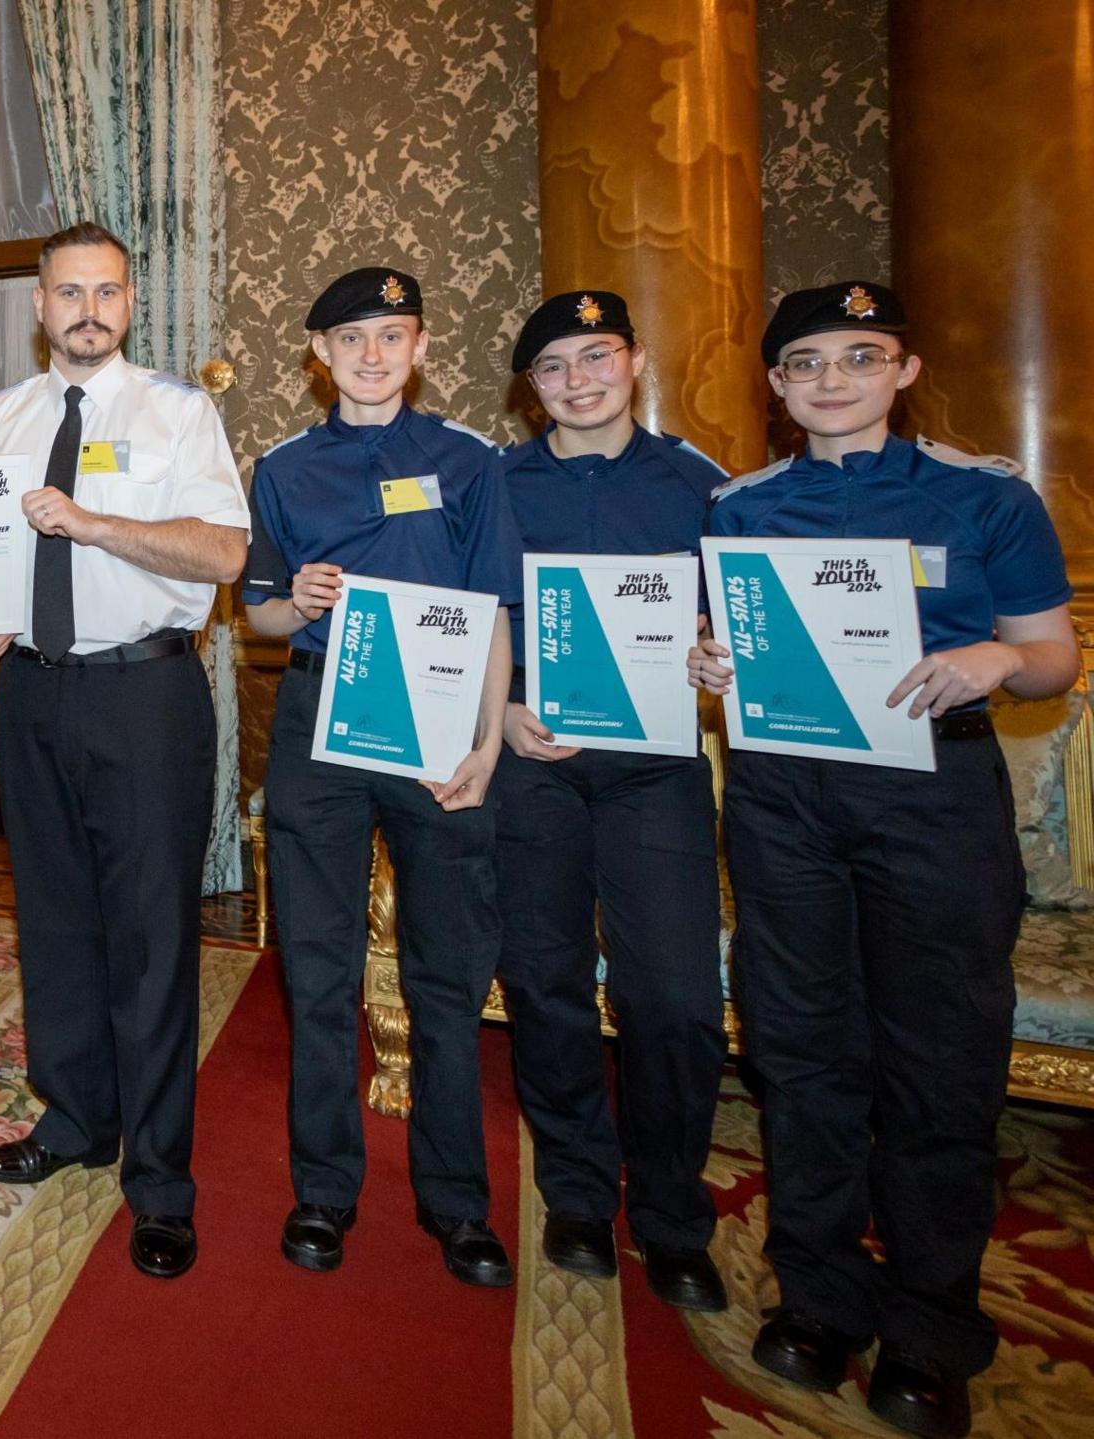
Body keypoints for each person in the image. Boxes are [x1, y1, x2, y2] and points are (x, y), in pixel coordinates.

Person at [688, 280, 1076, 1439]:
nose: (830, 380)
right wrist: (711, 660)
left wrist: (993, 665)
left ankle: (929, 1325)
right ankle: (815, 1295)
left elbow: (1052, 654)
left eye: (859, 356)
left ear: (902, 370)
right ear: (776, 384)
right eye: (804, 362)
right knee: (802, 1053)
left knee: (937, 1058)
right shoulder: (740, 506)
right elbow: (726, 642)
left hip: (934, 795)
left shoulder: (983, 495)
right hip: (783, 797)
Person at [0, 221, 249, 1280]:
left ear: (129, 303)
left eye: (106, 292)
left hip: (146, 696)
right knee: (55, 922)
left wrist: (93, 521)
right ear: (39, 305)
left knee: (151, 936)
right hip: (30, 691)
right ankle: (75, 1116)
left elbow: (221, 550)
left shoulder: (176, 412)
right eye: (67, 292)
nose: (87, 310)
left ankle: (161, 1179)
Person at [240, 264, 522, 1288]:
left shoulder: (467, 460)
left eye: (390, 335)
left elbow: (494, 609)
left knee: (444, 969)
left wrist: (488, 742)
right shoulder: (281, 466)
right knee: (317, 968)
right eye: (349, 337)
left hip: (442, 714)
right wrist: (295, 603)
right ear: (319, 354)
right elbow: (258, 614)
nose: (370, 353)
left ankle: (457, 1202)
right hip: (322, 713)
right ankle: (323, 1188)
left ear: (418, 346)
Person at [494, 290, 729, 1313]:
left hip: (654, 771)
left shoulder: (705, 487)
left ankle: (673, 1212)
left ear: (634, 360)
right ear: (530, 387)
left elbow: (748, 625)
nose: (577, 380)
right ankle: (577, 1190)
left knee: (672, 997)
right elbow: (470, 622)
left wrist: (716, 660)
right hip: (533, 767)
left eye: (596, 356)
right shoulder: (493, 487)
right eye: (553, 366)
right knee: (543, 983)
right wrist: (500, 713)